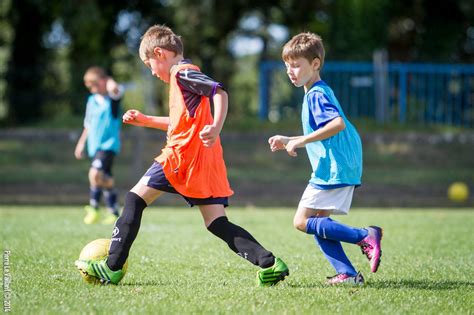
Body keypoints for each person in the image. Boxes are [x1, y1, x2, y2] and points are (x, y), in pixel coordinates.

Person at [75, 25, 289, 286]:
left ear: (160, 53)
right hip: (204, 161)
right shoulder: (181, 78)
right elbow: (179, 122)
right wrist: (145, 120)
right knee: (217, 223)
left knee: (133, 199)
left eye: (150, 64)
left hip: (181, 157)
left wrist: (216, 126)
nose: (152, 72)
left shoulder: (183, 72)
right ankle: (269, 263)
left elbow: (220, 92)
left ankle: (113, 266)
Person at [268, 32, 383, 285]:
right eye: (287, 65)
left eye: (296, 65)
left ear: (316, 63)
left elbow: (337, 124)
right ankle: (349, 275)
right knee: (319, 223)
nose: (290, 71)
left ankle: (365, 235)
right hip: (341, 165)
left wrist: (300, 141)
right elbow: (321, 131)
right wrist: (291, 139)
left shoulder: (316, 95)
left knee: (301, 221)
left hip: (333, 167)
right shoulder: (317, 91)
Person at [74, 66, 124, 225]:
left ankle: (94, 208)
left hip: (108, 146)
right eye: (89, 87)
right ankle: (114, 211)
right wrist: (81, 143)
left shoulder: (113, 100)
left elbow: (116, 90)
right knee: (106, 179)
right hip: (94, 146)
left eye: (94, 85)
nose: (92, 89)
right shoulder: (91, 100)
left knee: (94, 173)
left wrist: (109, 81)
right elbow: (87, 124)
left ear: (103, 82)